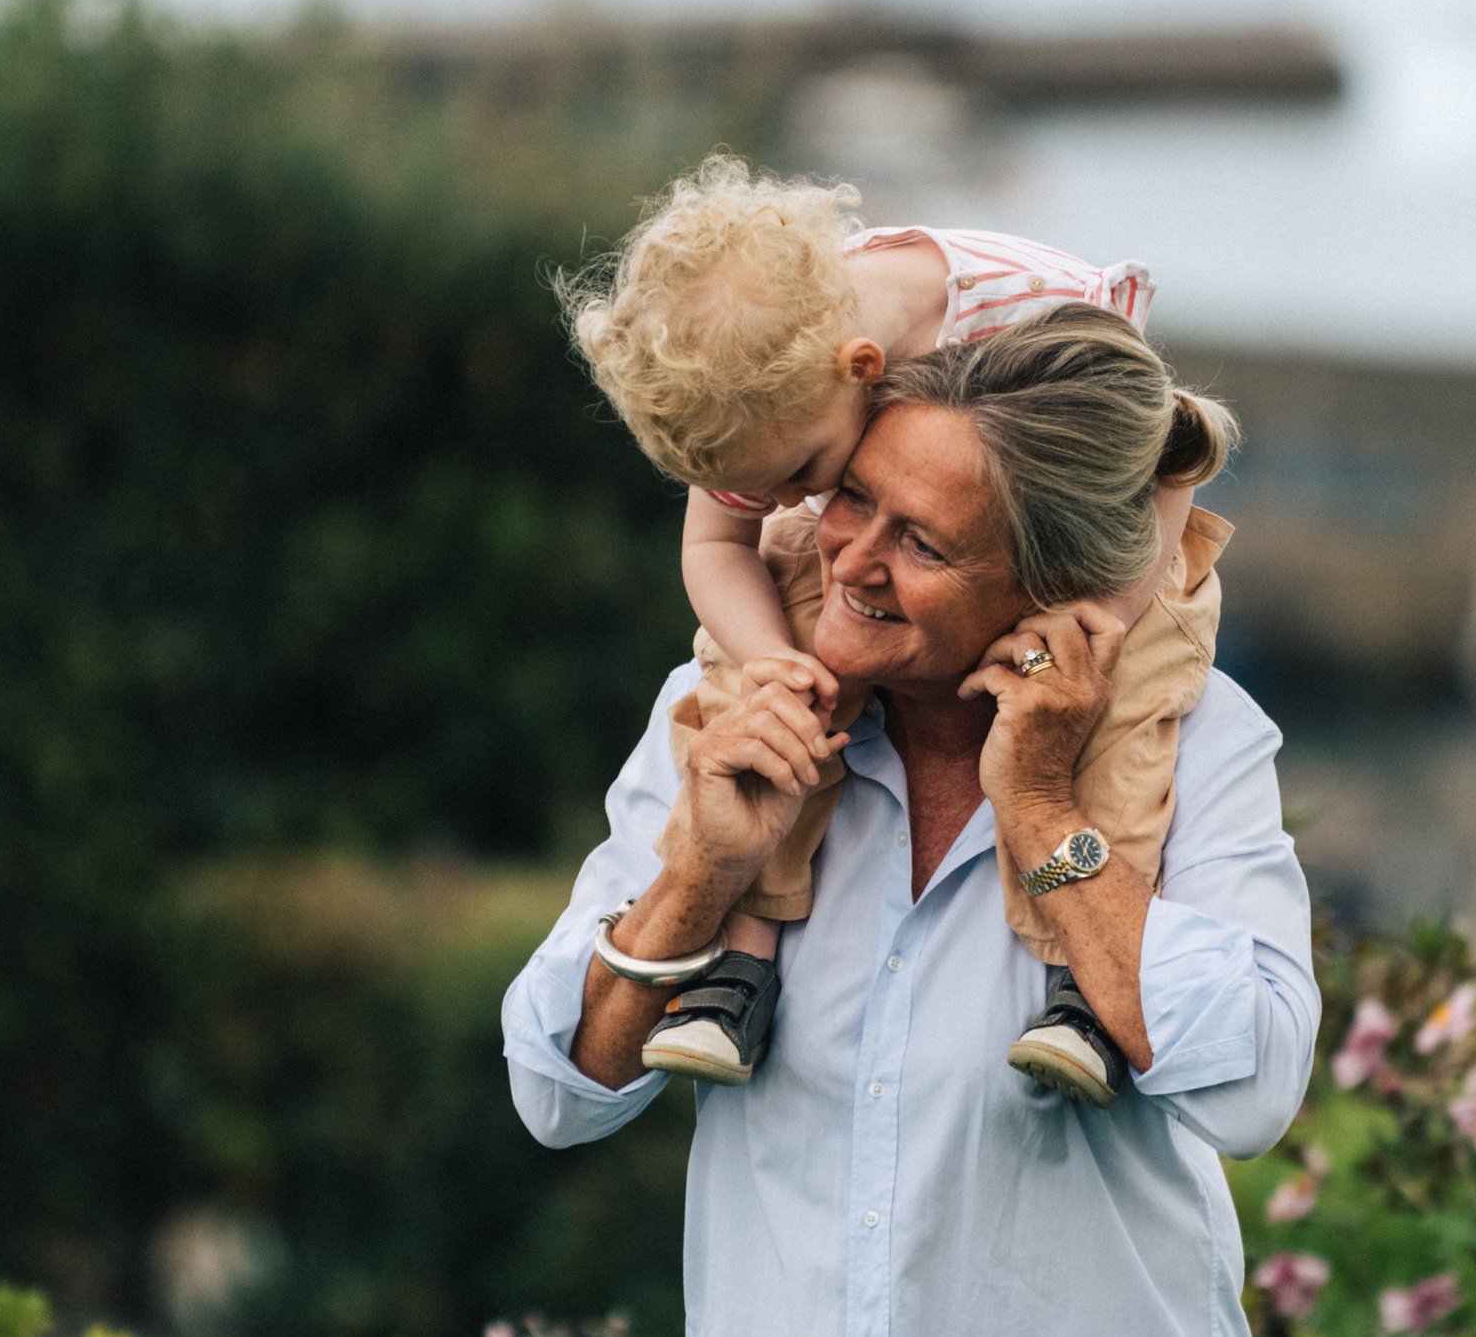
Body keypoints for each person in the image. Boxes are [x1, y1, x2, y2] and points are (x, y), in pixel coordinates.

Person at [501, 308, 1316, 1336]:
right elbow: (557, 1090)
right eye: (851, 497)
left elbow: (1252, 1091)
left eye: (922, 541)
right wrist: (701, 871)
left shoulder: (1195, 736)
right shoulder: (724, 710)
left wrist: (1040, 810)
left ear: (1056, 590)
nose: (849, 560)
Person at [558, 158, 1218, 1098]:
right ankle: (735, 969)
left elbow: (1168, 453)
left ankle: (1085, 990)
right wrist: (773, 664)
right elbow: (716, 547)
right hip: (919, 552)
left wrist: (1098, 621)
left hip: (1107, 556)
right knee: (750, 699)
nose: (789, 506)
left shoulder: (1030, 312)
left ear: (863, 371)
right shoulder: (757, 383)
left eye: (804, 472)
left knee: (1122, 712)